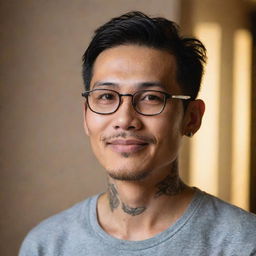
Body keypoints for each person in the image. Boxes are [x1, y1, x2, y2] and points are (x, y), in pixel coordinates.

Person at [19, 11, 256, 256]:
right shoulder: (46, 244)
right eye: (106, 97)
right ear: (86, 116)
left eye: (151, 98)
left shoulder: (243, 243)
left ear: (192, 118)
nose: (125, 120)